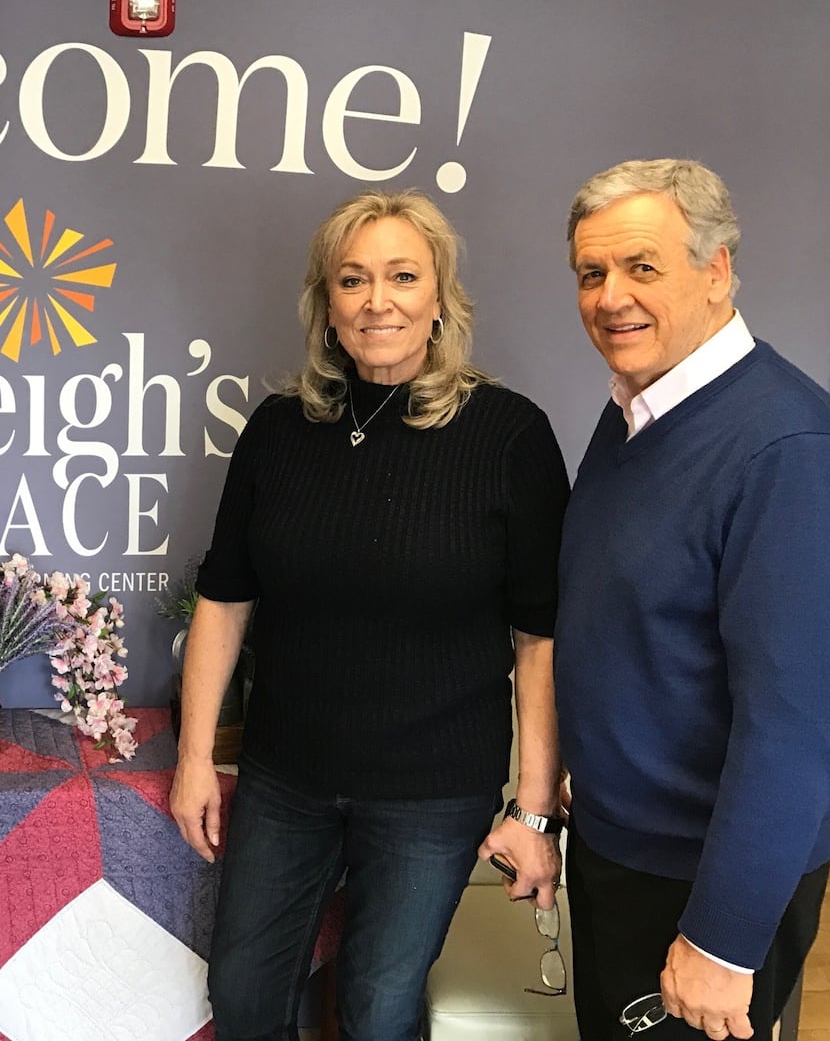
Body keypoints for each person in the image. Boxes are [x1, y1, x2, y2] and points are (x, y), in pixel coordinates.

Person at [170, 189, 572, 1041]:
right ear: (327, 305)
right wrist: (195, 759)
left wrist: (534, 811)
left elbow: (539, 638)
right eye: (352, 280)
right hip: (288, 778)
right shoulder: (280, 430)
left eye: (401, 276)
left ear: (439, 297)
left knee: (380, 1009)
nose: (376, 300)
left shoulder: (508, 436)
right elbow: (224, 598)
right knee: (243, 995)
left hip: (432, 790)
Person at [554, 159, 830, 1041]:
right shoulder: (636, 412)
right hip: (620, 852)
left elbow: (796, 731)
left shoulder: (789, 451)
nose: (611, 297)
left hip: (701, 884)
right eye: (593, 274)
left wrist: (725, 938)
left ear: (718, 269)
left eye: (642, 267)